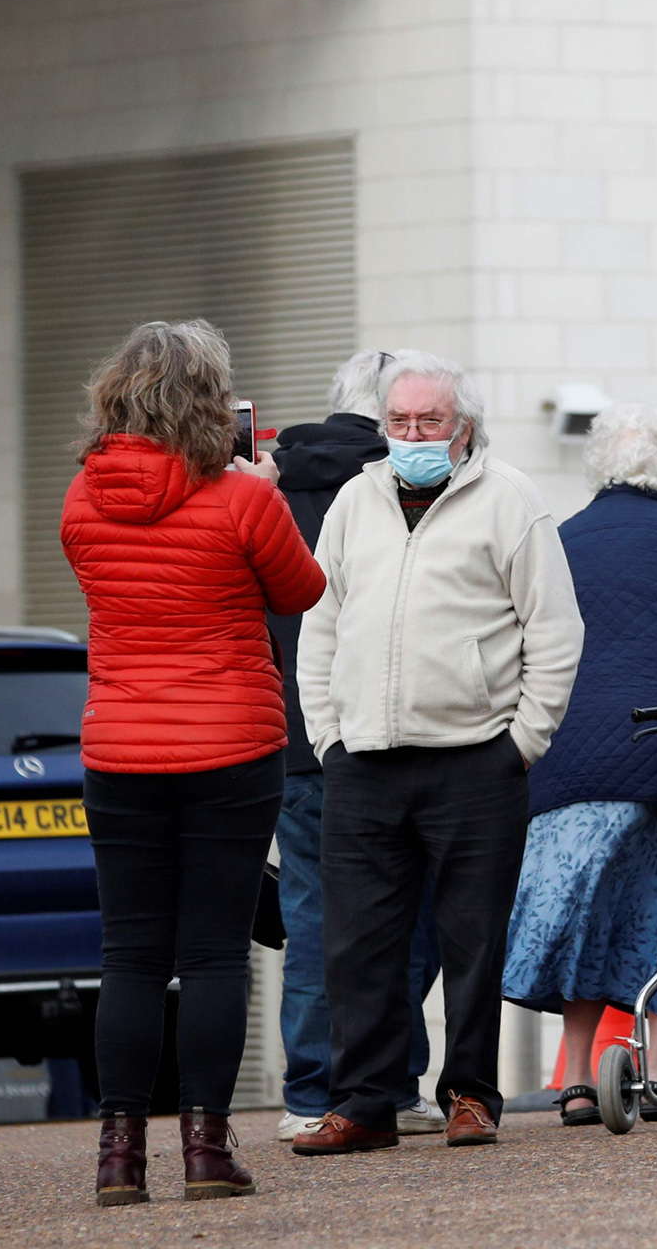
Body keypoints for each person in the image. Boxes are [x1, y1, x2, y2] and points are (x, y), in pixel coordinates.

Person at [60, 320, 326, 1206]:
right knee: (213, 953)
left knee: (130, 953)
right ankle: (208, 1152)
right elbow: (301, 590)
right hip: (231, 743)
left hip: (121, 744)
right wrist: (267, 491)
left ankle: (118, 1159)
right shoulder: (245, 498)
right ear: (212, 403)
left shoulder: (80, 500)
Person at [292, 351, 583, 1155]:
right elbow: (321, 623)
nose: (413, 435)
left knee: (473, 942)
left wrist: (523, 741)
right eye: (399, 422)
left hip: (475, 761)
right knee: (357, 945)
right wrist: (329, 733)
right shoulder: (354, 500)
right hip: (366, 760)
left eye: (430, 422)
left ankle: (469, 1095)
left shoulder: (511, 498)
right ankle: (364, 1103)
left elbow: (555, 630)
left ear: (464, 429)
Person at [503, 404, 657, 1124]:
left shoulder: (559, 541)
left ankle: (579, 1081)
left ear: (599, 463)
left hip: (568, 761)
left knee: (582, 913)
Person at [266, 351, 446, 1143]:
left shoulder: (270, 482)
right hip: (389, 734)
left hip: (295, 740)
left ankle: (309, 1088)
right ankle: (395, 1083)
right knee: (403, 918)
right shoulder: (404, 489)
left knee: (311, 918)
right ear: (391, 416)